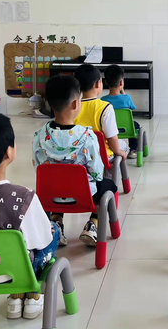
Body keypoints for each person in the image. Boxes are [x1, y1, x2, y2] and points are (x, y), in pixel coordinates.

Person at [0, 113, 59, 321]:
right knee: (52, 232)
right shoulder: (22, 197)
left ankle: (16, 298)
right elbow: (42, 241)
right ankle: (30, 293)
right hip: (16, 274)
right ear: (9, 152)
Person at [33, 75, 117, 247]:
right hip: (84, 194)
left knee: (58, 182)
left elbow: (38, 166)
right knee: (109, 185)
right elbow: (96, 171)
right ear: (75, 104)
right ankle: (93, 224)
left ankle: (56, 221)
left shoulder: (39, 135)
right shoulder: (87, 136)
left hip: (50, 194)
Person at [73, 64, 128, 162]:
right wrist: (118, 151)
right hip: (101, 154)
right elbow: (111, 137)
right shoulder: (105, 107)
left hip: (78, 154)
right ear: (98, 84)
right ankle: (109, 175)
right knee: (123, 145)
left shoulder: (73, 107)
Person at [101, 64, 139, 159]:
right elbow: (133, 108)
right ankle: (133, 150)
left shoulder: (103, 99)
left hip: (109, 129)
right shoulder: (127, 98)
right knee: (136, 126)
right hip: (126, 128)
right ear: (121, 83)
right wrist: (123, 93)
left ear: (105, 82)